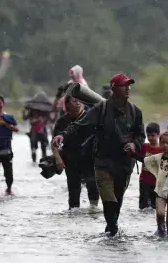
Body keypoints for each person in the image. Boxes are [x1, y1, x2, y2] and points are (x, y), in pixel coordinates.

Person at [53, 73, 145, 237]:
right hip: (103, 161)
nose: (128, 88)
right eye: (124, 85)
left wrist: (134, 144)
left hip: (124, 164)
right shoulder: (100, 109)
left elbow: (140, 135)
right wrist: (63, 135)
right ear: (115, 89)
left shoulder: (135, 112)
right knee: (108, 200)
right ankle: (114, 232)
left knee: (117, 202)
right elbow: (80, 126)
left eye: (129, 85)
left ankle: (111, 230)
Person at [52, 95, 100, 209]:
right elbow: (54, 142)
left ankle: (93, 211)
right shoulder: (62, 121)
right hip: (71, 159)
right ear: (67, 104)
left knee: (93, 187)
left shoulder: (90, 117)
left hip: (90, 159)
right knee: (73, 190)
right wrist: (58, 159)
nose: (78, 103)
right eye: (74, 101)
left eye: (80, 101)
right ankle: (73, 217)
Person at [138, 123, 162, 210]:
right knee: (143, 207)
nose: (150, 138)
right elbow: (136, 155)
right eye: (148, 135)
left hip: (157, 182)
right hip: (144, 180)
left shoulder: (161, 149)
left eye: (153, 135)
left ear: (158, 135)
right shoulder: (144, 146)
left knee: (155, 206)